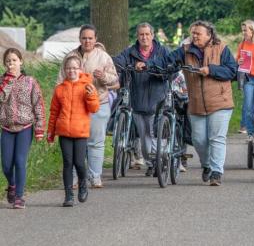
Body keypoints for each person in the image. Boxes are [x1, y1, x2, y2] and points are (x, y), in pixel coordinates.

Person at [141, 20, 237, 186]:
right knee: (198, 139)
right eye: (193, 33)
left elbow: (232, 71)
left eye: (198, 33)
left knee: (217, 138)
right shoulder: (185, 51)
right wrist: (147, 64)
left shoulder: (222, 49)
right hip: (196, 103)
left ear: (209, 35)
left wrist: (211, 70)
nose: (194, 36)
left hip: (220, 102)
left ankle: (216, 172)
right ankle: (206, 165)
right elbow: (166, 61)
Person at [58, 24, 118, 188]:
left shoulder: (104, 57)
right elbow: (60, 80)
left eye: (90, 38)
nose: (87, 41)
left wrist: (103, 76)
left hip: (99, 103)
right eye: (84, 38)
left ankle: (95, 177)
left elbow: (114, 80)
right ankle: (76, 178)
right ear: (79, 39)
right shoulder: (71, 57)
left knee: (96, 142)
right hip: (75, 107)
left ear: (95, 39)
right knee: (77, 142)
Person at [114, 22, 171, 176]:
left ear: (152, 36)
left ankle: (160, 160)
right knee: (144, 135)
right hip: (137, 99)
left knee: (156, 134)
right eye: (141, 34)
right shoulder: (130, 52)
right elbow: (117, 61)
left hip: (157, 99)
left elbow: (170, 67)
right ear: (137, 36)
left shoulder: (163, 51)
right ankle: (152, 163)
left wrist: (149, 66)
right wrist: (123, 66)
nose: (144, 37)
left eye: (147, 34)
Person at [47, 56, 100, 207]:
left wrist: (91, 95)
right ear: (65, 70)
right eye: (69, 68)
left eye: (74, 68)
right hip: (64, 132)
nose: (71, 71)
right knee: (68, 163)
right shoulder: (59, 89)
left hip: (80, 132)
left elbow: (94, 108)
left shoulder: (87, 86)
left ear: (80, 69)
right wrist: (50, 132)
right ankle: (68, 195)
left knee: (79, 163)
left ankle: (83, 183)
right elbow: (54, 112)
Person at [0, 48, 45, 209]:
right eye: (8, 61)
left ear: (21, 61)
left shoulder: (30, 81)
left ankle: (19, 196)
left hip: (25, 127)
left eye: (14, 60)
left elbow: (38, 105)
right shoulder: (2, 81)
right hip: (6, 127)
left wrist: (39, 128)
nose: (11, 63)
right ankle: (11, 184)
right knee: (6, 164)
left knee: (19, 161)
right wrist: (8, 81)